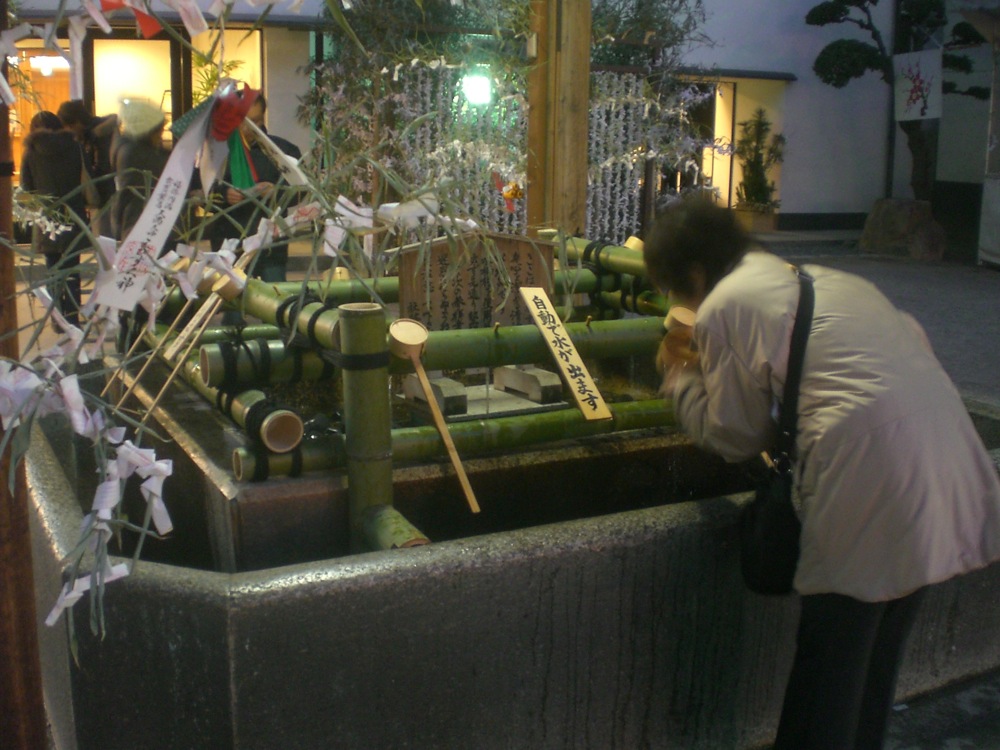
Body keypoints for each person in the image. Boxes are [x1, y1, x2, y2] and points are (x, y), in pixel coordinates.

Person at [643, 197, 1000, 749]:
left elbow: (735, 435)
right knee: (874, 665)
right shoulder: (828, 280)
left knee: (828, 672)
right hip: (948, 461)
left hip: (872, 479)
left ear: (693, 274)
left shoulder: (724, 304)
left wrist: (681, 378)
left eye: (677, 290)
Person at [207, 93, 302, 282]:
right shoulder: (217, 152)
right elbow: (202, 192)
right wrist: (224, 194)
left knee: (273, 301)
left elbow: (300, 192)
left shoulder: (282, 151)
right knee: (232, 304)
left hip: (270, 245)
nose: (251, 128)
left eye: (257, 121)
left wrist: (276, 193)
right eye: (245, 121)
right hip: (230, 244)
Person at [19, 110, 87, 326]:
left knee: (52, 271)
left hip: (47, 218)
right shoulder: (75, 148)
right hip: (73, 214)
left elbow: (25, 190)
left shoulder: (30, 153)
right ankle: (73, 318)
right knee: (72, 270)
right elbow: (85, 178)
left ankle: (59, 320)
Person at [110, 97, 170, 241]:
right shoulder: (138, 153)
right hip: (141, 222)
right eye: (160, 129)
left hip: (134, 220)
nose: (162, 134)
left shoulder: (125, 147)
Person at [57, 99, 118, 236]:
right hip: (100, 193)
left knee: (103, 238)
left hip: (103, 194)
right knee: (101, 239)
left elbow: (103, 168)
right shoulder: (89, 135)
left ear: (77, 122)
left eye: (70, 127)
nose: (70, 131)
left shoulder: (99, 136)